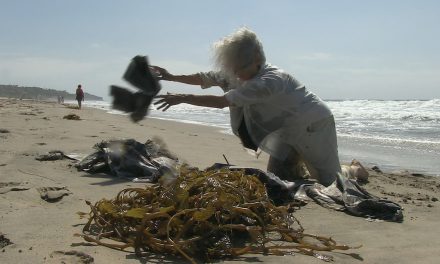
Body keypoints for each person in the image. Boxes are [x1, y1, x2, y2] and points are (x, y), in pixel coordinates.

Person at [153, 27, 345, 186]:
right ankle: (302, 167)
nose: (234, 75)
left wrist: (183, 98)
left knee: (332, 184)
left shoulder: (270, 81)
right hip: (286, 130)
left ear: (257, 60)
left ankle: (352, 171)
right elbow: (206, 78)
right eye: (231, 68)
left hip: (314, 125)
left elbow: (221, 103)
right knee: (279, 180)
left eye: (239, 70)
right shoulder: (238, 71)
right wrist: (171, 77)